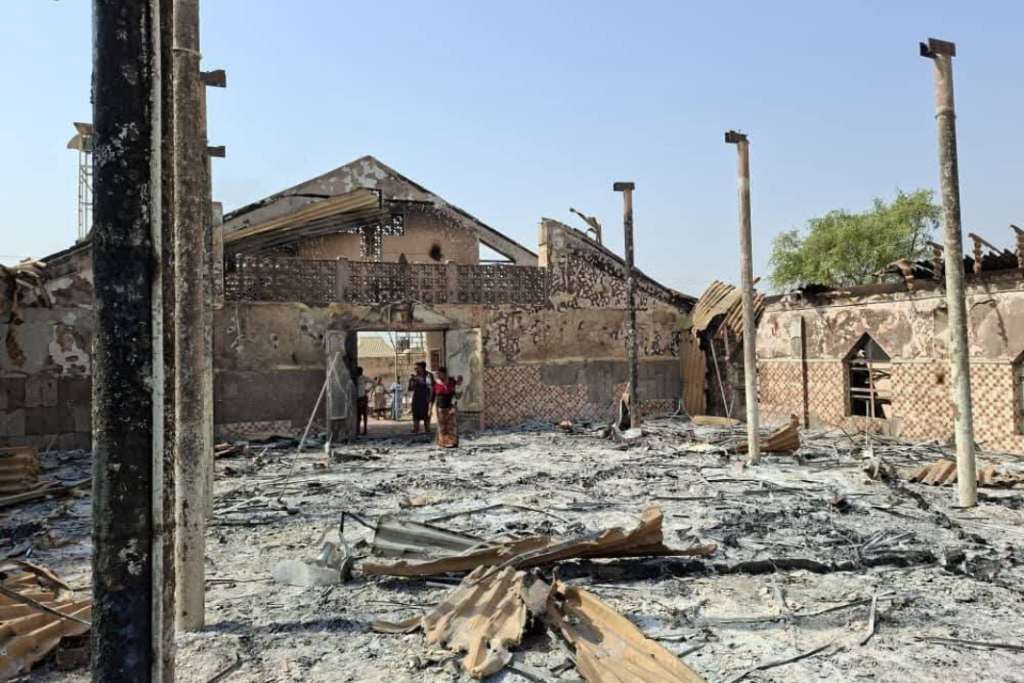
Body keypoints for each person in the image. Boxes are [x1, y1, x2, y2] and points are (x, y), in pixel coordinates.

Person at [433, 367, 462, 448]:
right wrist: (430, 408)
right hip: (441, 407)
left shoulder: (451, 381)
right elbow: (433, 397)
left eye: (439, 374)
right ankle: (442, 443)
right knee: (442, 425)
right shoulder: (435, 383)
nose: (438, 375)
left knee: (452, 425)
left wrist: (459, 380)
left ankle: (453, 442)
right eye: (437, 374)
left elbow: (459, 385)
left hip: (451, 406)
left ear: (444, 374)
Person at [408, 361, 435, 435]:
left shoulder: (428, 375)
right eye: (415, 368)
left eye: (417, 368)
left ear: (422, 368)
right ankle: (416, 429)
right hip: (416, 399)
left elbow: (431, 386)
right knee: (416, 415)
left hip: (426, 398)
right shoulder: (414, 377)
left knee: (426, 415)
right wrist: (412, 382)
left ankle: (427, 430)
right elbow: (410, 388)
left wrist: (422, 381)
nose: (416, 370)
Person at [354, 366, 375, 436]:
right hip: (360, 398)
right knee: (360, 415)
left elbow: (374, 383)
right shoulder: (357, 378)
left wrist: (368, 390)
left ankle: (362, 430)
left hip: (361, 398)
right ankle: (360, 430)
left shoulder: (361, 378)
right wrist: (368, 390)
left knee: (361, 415)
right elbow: (374, 383)